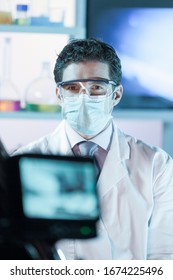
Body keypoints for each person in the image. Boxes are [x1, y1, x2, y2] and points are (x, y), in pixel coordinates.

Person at [13, 38, 173, 260]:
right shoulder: (25, 162)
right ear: (59, 95)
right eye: (72, 88)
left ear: (116, 94)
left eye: (96, 87)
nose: (84, 97)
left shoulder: (157, 164)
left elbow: (165, 257)